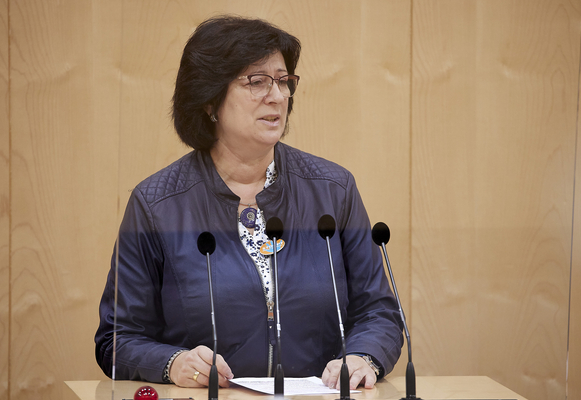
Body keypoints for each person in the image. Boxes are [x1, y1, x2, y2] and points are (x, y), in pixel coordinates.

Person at [95, 15, 403, 391]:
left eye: (284, 80)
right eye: (257, 81)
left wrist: (364, 355)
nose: (277, 95)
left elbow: (379, 312)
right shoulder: (158, 204)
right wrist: (173, 363)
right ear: (210, 99)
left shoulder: (332, 190)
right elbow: (117, 339)